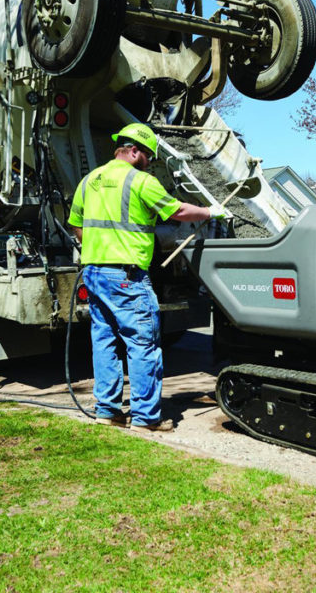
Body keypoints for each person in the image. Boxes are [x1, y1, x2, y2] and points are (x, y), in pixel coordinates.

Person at [69, 122, 226, 432]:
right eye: (149, 156)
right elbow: (176, 212)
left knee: (104, 343)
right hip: (127, 277)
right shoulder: (141, 181)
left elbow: (76, 223)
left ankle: (107, 411)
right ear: (135, 151)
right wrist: (210, 212)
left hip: (95, 273)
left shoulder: (89, 180)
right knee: (142, 344)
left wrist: (97, 248)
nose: (150, 162)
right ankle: (145, 418)